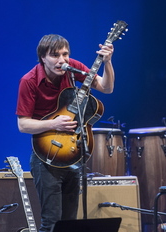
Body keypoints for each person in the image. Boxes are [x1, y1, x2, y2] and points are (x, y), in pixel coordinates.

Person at [16, 34, 115, 232]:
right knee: (51, 222)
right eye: (54, 55)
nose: (61, 60)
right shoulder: (29, 81)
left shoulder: (72, 69)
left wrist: (108, 63)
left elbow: (106, 87)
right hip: (45, 157)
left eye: (65, 54)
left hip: (74, 151)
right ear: (42, 57)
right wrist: (54, 124)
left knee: (69, 223)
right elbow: (23, 125)